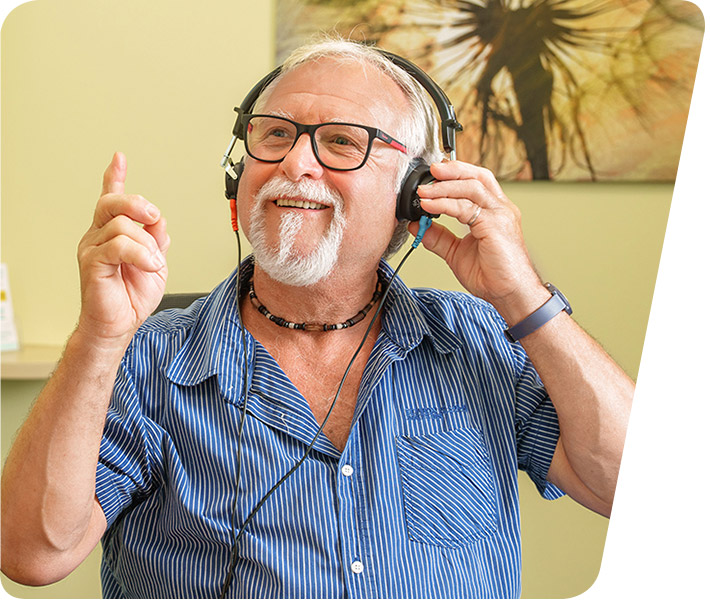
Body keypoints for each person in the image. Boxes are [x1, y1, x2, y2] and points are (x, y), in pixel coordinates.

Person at [1, 38, 634, 598]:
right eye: (275, 134)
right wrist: (98, 336)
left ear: (417, 190)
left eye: (341, 143)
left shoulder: (478, 338)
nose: (296, 164)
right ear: (238, 173)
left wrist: (523, 295)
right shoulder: (144, 358)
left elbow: (634, 488)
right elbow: (32, 555)